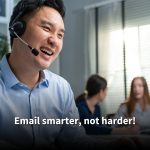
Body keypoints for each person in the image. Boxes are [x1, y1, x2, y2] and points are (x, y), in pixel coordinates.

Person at [0, 0, 139, 149]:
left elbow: (75, 141)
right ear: (17, 29)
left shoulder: (61, 88)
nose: (54, 41)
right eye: (47, 28)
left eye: (60, 35)